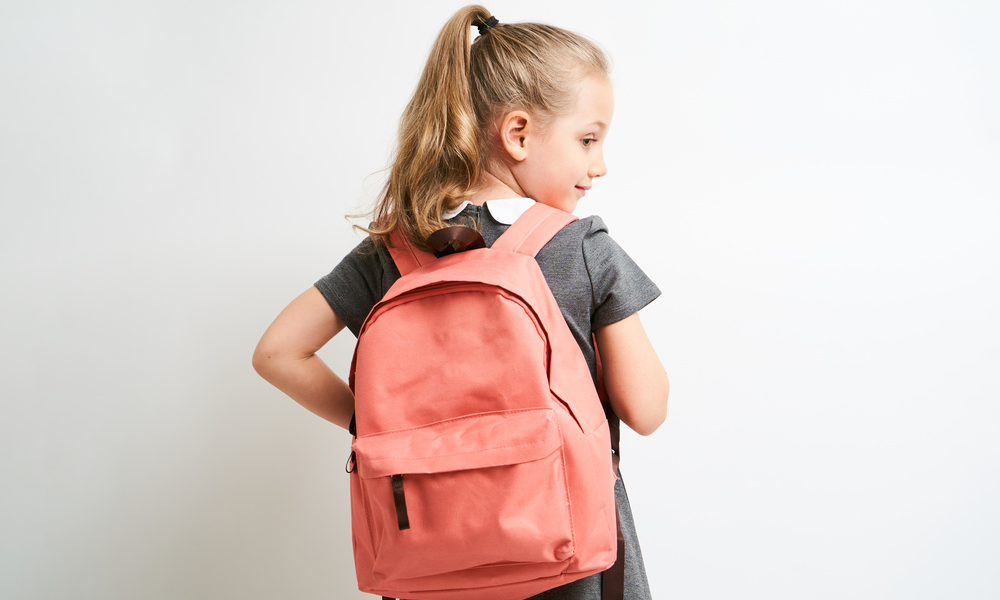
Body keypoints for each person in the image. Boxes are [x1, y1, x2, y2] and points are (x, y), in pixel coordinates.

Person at [253, 5, 669, 599]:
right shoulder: (582, 247)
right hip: (570, 559)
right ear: (518, 133)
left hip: (432, 562)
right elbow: (646, 409)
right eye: (588, 139)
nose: (598, 166)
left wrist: (372, 422)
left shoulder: (395, 249)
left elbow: (277, 353)